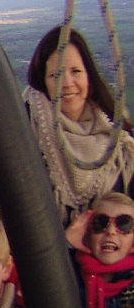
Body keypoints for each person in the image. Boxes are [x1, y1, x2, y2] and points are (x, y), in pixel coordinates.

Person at [24, 25, 134, 225]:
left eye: (76, 71)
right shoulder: (25, 137)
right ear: (42, 81)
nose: (67, 83)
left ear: (88, 75)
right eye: (55, 75)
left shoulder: (120, 141)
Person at [65, 192, 134, 308]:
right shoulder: (67, 268)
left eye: (124, 224)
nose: (111, 231)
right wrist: (65, 243)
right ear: (87, 233)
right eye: (100, 223)